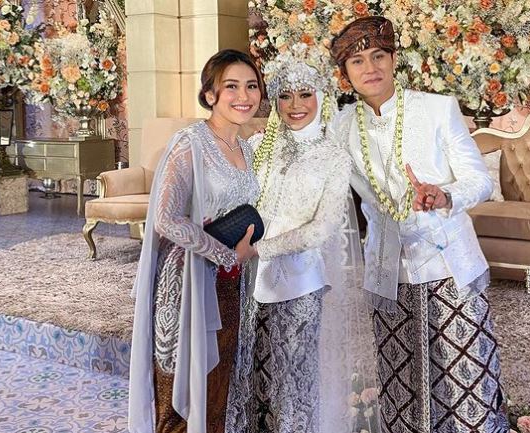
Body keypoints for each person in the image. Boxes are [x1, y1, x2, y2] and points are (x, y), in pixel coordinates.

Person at [330, 16, 508, 433]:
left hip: (447, 262)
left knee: (466, 378)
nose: (371, 68)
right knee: (401, 384)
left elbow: (479, 180)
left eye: (379, 56)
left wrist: (445, 195)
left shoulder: (437, 109)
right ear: (345, 75)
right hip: (387, 269)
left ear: (394, 60)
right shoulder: (339, 127)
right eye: (357, 61)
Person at [224, 49, 380, 433]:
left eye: (305, 94)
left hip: (300, 284)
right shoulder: (259, 145)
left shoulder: (333, 158)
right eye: (285, 95)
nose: (295, 105)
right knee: (251, 375)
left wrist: (260, 250)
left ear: (322, 97)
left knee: (293, 381)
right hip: (248, 280)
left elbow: (321, 228)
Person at [128, 49, 264, 433]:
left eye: (251, 86)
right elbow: (165, 218)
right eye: (231, 86)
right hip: (188, 280)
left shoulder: (246, 148)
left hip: (232, 283)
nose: (244, 96)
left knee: (218, 388)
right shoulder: (190, 143)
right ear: (210, 95)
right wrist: (226, 254)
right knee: (182, 394)